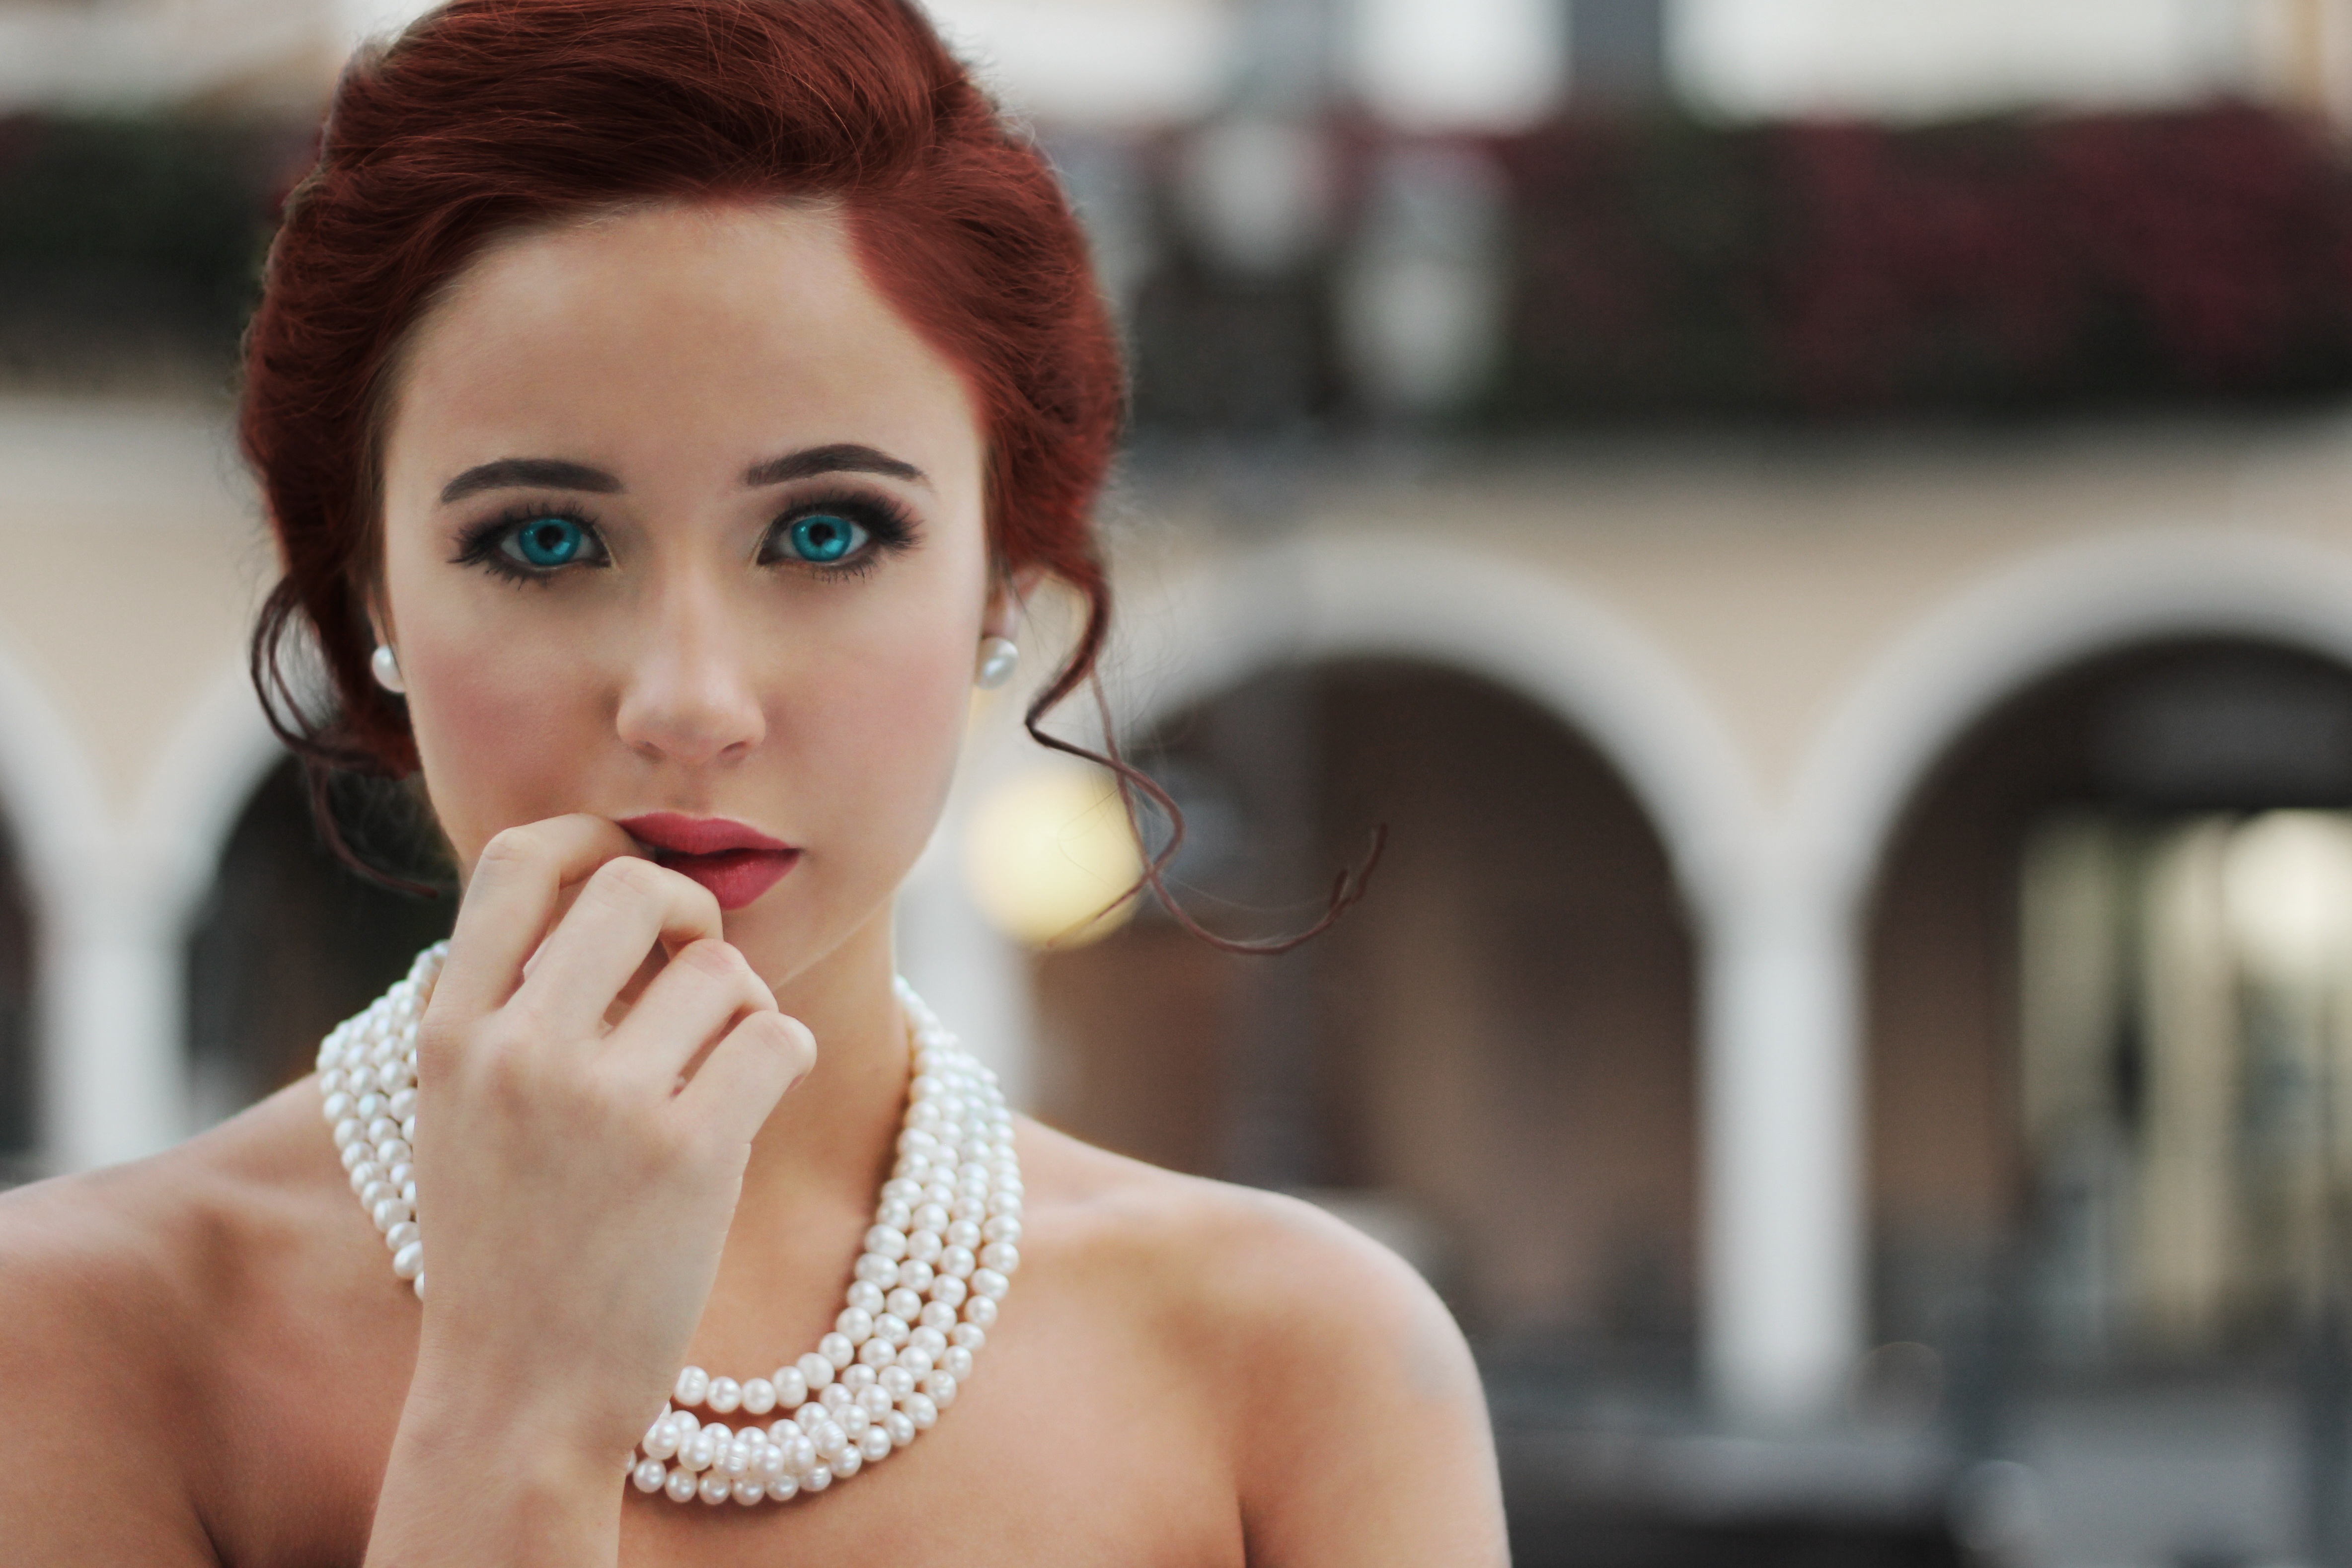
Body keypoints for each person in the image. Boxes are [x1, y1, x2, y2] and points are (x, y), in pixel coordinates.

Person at [0, 1, 1508, 1561]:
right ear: (371, 589)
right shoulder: (75, 1341)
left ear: (1002, 582)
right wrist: (518, 1407)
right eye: (544, 540)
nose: (690, 702)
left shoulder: (1295, 1371)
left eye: (828, 531)